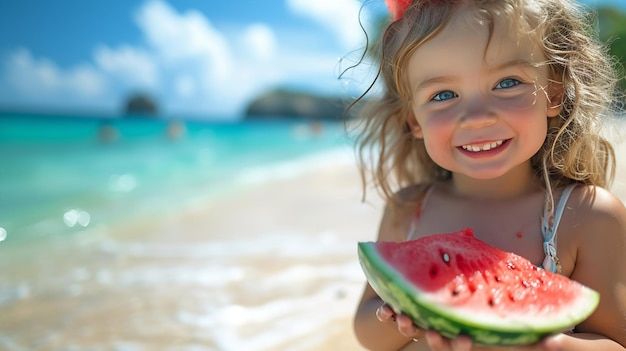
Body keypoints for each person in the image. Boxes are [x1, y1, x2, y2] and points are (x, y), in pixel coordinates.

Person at [349, 0, 626, 350]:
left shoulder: (587, 216)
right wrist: (401, 317)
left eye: (507, 82)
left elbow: (615, 342)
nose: (477, 116)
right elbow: (366, 330)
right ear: (415, 120)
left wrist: (550, 345)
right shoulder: (408, 209)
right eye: (444, 94)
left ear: (553, 94)